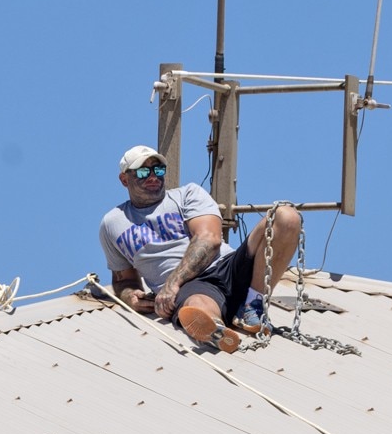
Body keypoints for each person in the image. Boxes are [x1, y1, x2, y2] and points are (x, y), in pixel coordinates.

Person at [98, 144, 303, 353]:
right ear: (124, 179)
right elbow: (123, 280)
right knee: (196, 307)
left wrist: (172, 283)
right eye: (143, 172)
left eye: (158, 169)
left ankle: (253, 305)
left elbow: (209, 239)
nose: (153, 176)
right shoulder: (112, 224)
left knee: (286, 217)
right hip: (193, 287)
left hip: (227, 266)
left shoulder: (187, 194)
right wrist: (131, 297)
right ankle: (217, 331)